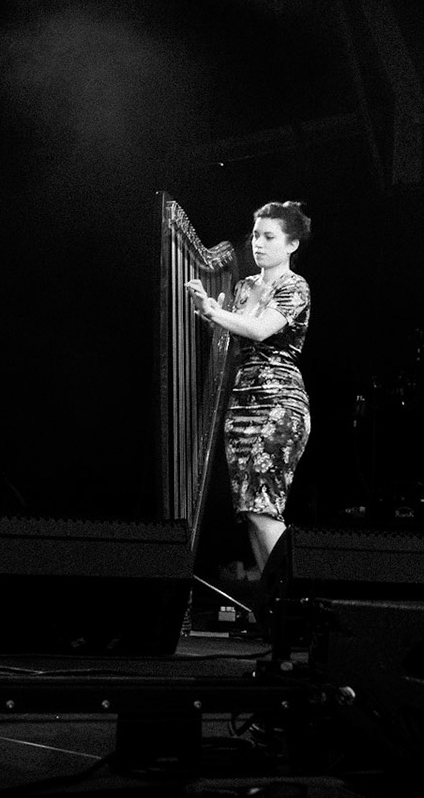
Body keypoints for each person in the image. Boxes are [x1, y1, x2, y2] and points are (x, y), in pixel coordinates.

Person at [185, 201, 313, 573]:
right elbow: (238, 337)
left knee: (264, 507)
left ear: (291, 245)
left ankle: (291, 598)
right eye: (256, 235)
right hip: (242, 405)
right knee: (252, 513)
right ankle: (272, 609)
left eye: (269, 237)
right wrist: (212, 315)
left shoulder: (296, 287)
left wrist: (216, 313)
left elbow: (259, 330)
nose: (258, 243)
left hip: (278, 403)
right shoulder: (244, 287)